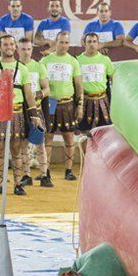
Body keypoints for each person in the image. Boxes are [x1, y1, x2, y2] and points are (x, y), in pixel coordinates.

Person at [0, 34, 45, 196]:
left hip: (17, 114)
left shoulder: (22, 69)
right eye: (5, 45)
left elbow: (29, 95)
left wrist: (34, 114)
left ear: (15, 47)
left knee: (16, 150)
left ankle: (17, 184)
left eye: (11, 44)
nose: (9, 47)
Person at [40, 31, 82, 185]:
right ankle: (46, 171)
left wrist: (80, 105)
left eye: (66, 42)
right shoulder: (45, 60)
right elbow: (40, 82)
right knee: (48, 137)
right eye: (61, 42)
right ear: (55, 42)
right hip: (50, 103)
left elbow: (78, 85)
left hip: (67, 104)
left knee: (69, 137)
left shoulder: (73, 61)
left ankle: (69, 171)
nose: (64, 45)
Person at [17, 37, 50, 187]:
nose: (26, 52)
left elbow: (47, 88)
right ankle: (26, 175)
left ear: (32, 50)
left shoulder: (38, 66)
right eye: (23, 49)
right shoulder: (14, 67)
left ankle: (44, 175)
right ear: (18, 50)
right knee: (23, 144)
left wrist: (40, 94)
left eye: (29, 49)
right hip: (20, 110)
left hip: (36, 109)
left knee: (40, 143)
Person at [76, 33, 115, 133]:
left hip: (103, 101)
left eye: (94, 42)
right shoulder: (77, 60)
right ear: (84, 44)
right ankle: (84, 149)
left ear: (98, 44)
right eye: (89, 42)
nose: (92, 44)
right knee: (84, 132)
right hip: (85, 100)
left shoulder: (105, 60)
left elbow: (113, 78)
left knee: (105, 132)